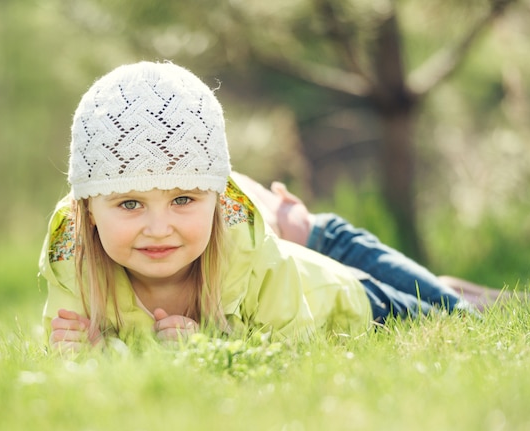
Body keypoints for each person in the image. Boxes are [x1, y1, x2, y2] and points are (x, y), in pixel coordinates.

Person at [40, 61, 483, 352]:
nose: (158, 228)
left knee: (456, 318)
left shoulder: (248, 254)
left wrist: (212, 350)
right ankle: (458, 288)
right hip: (314, 259)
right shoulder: (72, 260)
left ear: (217, 199)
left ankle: (470, 294)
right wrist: (90, 351)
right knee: (451, 301)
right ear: (88, 211)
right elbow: (81, 358)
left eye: (182, 199)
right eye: (131, 203)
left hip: (353, 295)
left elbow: (291, 350)